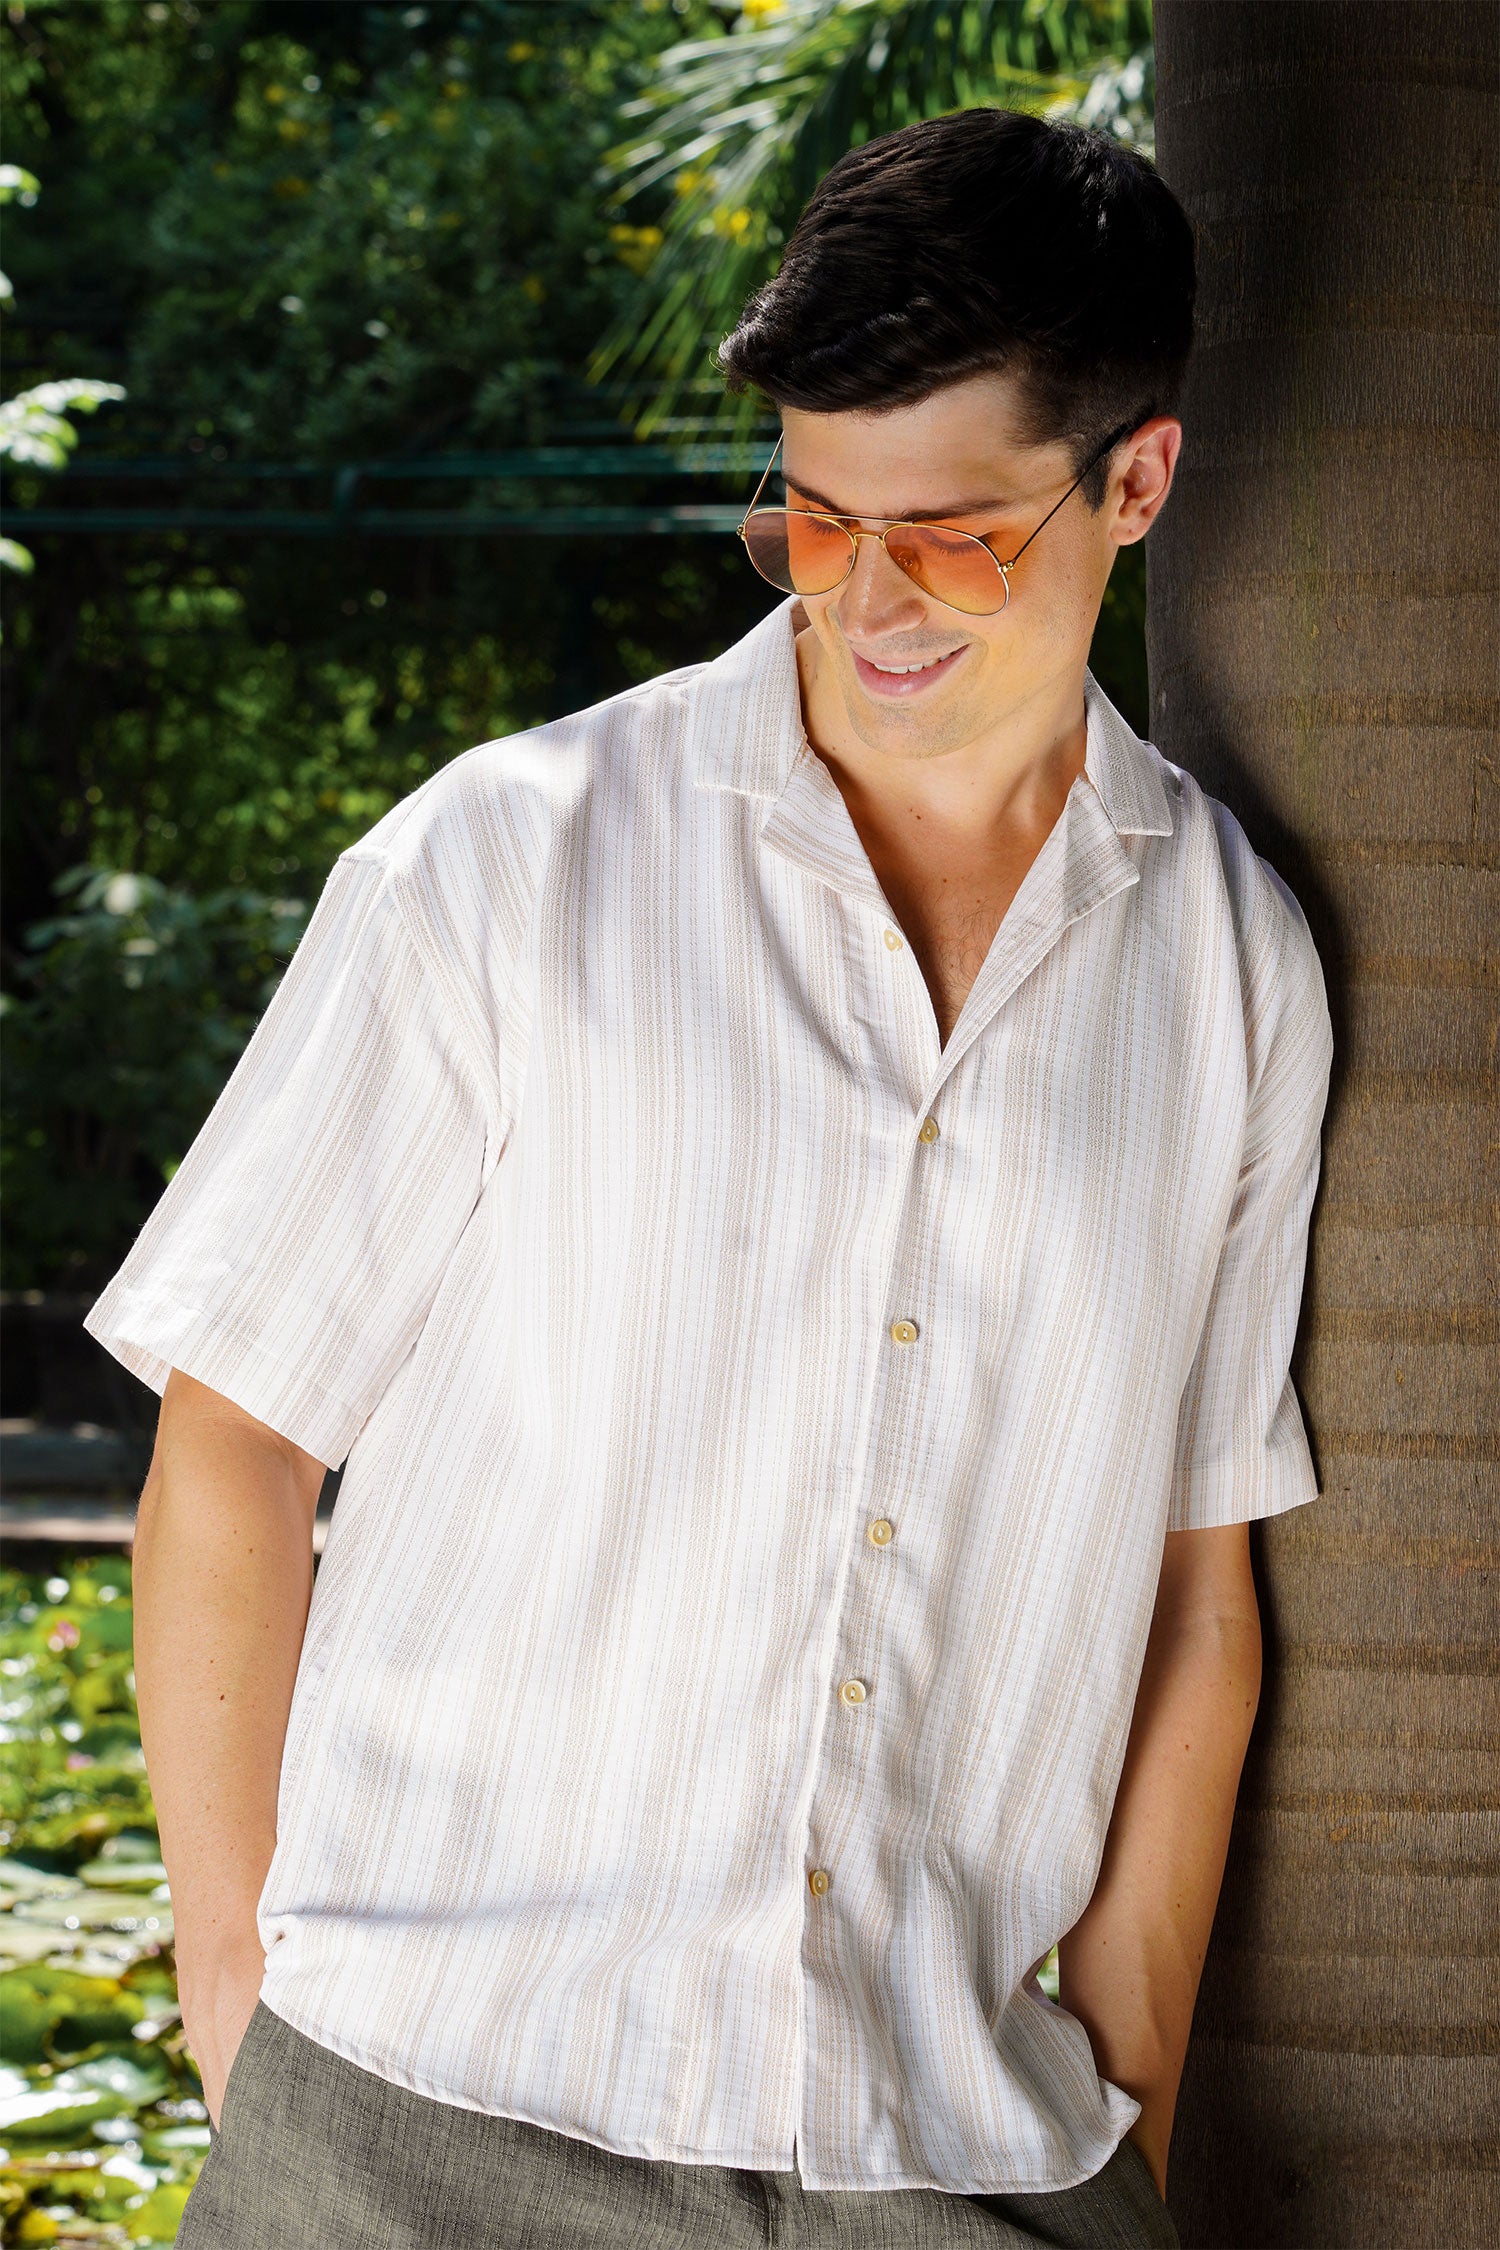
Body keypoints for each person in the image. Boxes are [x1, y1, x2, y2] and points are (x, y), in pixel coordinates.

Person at [86, 106, 1333, 2250]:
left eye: (951, 536)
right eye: (813, 521)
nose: (869, 601)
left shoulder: (1229, 965)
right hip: (419, 2131)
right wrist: (241, 2021)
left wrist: (1125, 2113)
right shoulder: (504, 866)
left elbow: (1195, 1591)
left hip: (965, 2162)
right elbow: (235, 1443)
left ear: (1136, 483)